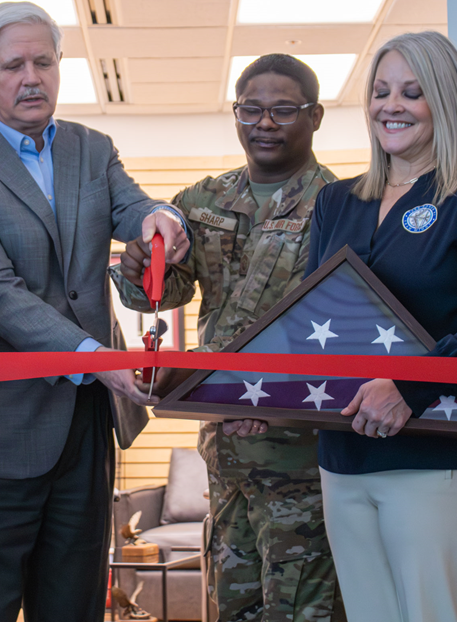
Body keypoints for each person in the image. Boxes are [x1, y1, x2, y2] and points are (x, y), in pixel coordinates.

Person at [0, 1, 189, 622]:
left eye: (44, 61)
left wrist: (163, 221)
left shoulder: (92, 149)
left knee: (74, 606)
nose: (31, 77)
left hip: (86, 427)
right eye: (14, 64)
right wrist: (97, 358)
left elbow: (136, 208)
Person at [305, 31, 457, 622]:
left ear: (446, 101)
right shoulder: (336, 203)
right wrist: (268, 396)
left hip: (443, 455)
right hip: (344, 455)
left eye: (413, 92)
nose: (392, 105)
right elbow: (313, 321)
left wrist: (409, 388)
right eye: (381, 92)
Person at [110, 53, 344, 621]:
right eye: (251, 109)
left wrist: (276, 403)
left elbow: (346, 334)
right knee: (230, 608)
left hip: (299, 458)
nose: (265, 122)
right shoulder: (201, 202)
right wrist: (142, 263)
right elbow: (158, 297)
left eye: (283, 110)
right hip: (224, 453)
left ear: (314, 117)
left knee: (299, 612)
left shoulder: (341, 207)